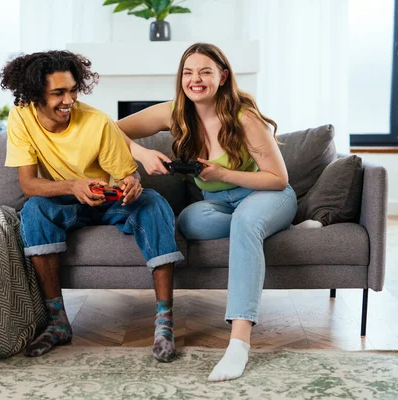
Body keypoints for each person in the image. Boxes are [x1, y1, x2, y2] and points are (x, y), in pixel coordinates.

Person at [117, 43, 297, 381]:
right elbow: (111, 130)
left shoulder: (243, 117)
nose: (195, 79)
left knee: (246, 220)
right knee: (186, 220)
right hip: (218, 204)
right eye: (188, 72)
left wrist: (223, 174)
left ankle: (239, 344)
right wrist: (141, 154)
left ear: (223, 76)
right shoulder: (174, 113)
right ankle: (259, 229)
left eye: (205, 71)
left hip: (265, 193)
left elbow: (277, 178)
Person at [0, 50, 184, 362]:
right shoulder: (21, 116)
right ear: (35, 94)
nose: (68, 100)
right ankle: (58, 323)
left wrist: (132, 182)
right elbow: (29, 184)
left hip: (107, 200)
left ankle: (164, 323)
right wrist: (73, 185)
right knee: (33, 210)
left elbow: (126, 172)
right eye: (58, 93)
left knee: (154, 203)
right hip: (65, 199)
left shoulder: (97, 122)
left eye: (72, 90)